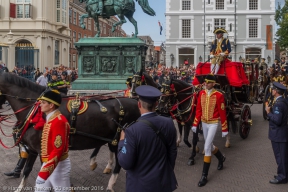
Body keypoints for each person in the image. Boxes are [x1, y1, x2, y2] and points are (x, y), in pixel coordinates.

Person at [118, 85, 178, 192]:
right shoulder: (169, 123)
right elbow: (172, 152)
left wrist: (122, 141)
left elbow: (125, 163)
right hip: (163, 183)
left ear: (139, 104)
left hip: (140, 186)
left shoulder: (132, 131)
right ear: (156, 103)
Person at [191, 74, 228, 187]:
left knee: (206, 147)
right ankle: (221, 158)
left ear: (213, 84)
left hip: (213, 123)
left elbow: (222, 112)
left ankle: (204, 176)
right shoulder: (201, 93)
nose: (205, 84)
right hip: (204, 122)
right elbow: (198, 110)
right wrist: (195, 123)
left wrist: (224, 128)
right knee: (210, 146)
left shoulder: (219, 95)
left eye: (208, 82)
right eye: (205, 82)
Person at [35, 90, 71, 192]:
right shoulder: (51, 118)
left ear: (51, 105)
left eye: (43, 102)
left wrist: (44, 173)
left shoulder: (59, 121)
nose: (40, 104)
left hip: (59, 166)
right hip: (49, 163)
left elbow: (58, 150)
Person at [265, 82, 288, 184]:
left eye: (273, 89)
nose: (272, 91)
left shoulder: (278, 104)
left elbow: (277, 120)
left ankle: (282, 177)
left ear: (276, 91)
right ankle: (283, 174)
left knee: (280, 157)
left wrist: (269, 113)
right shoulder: (283, 101)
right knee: (282, 156)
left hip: (279, 135)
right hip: (282, 134)